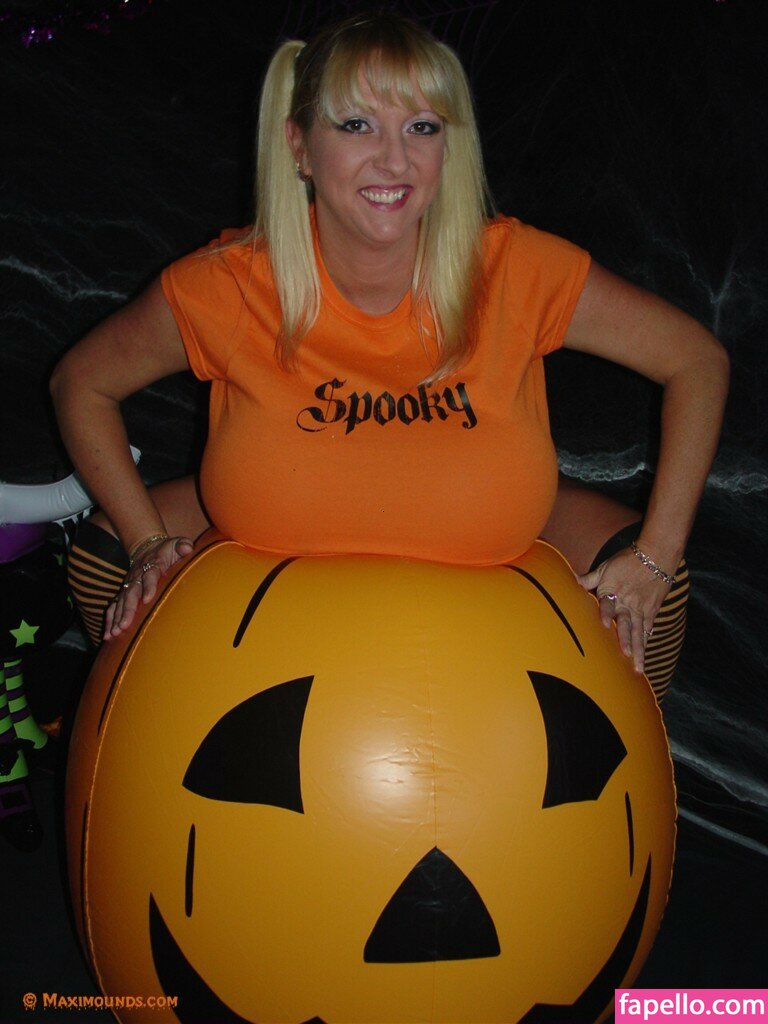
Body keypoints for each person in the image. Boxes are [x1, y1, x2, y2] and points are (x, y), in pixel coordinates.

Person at [51, 12, 728, 702]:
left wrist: (657, 555)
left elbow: (695, 361)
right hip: (264, 605)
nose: (395, 160)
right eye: (357, 125)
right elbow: (81, 383)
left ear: (448, 149)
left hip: (501, 572)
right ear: (299, 147)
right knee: (106, 559)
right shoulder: (226, 286)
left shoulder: (517, 268)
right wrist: (144, 543)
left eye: (422, 127)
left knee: (654, 595)